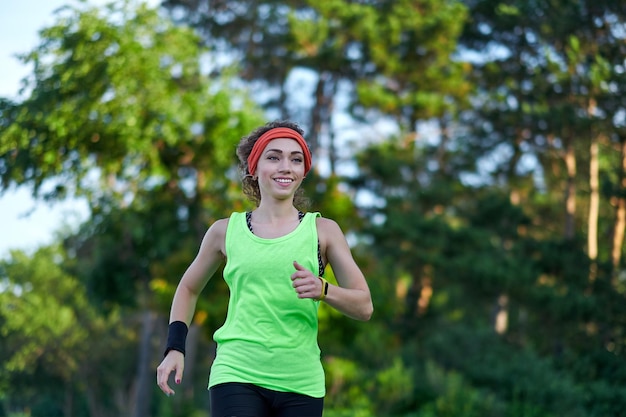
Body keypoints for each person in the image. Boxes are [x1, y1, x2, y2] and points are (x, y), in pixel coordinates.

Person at [156, 120, 373, 417]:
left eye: (296, 159)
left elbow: (364, 306)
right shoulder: (224, 231)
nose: (286, 166)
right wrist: (174, 347)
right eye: (274, 157)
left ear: (302, 172)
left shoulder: (323, 231)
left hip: (301, 380)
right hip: (237, 372)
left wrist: (324, 290)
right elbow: (188, 287)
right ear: (254, 168)